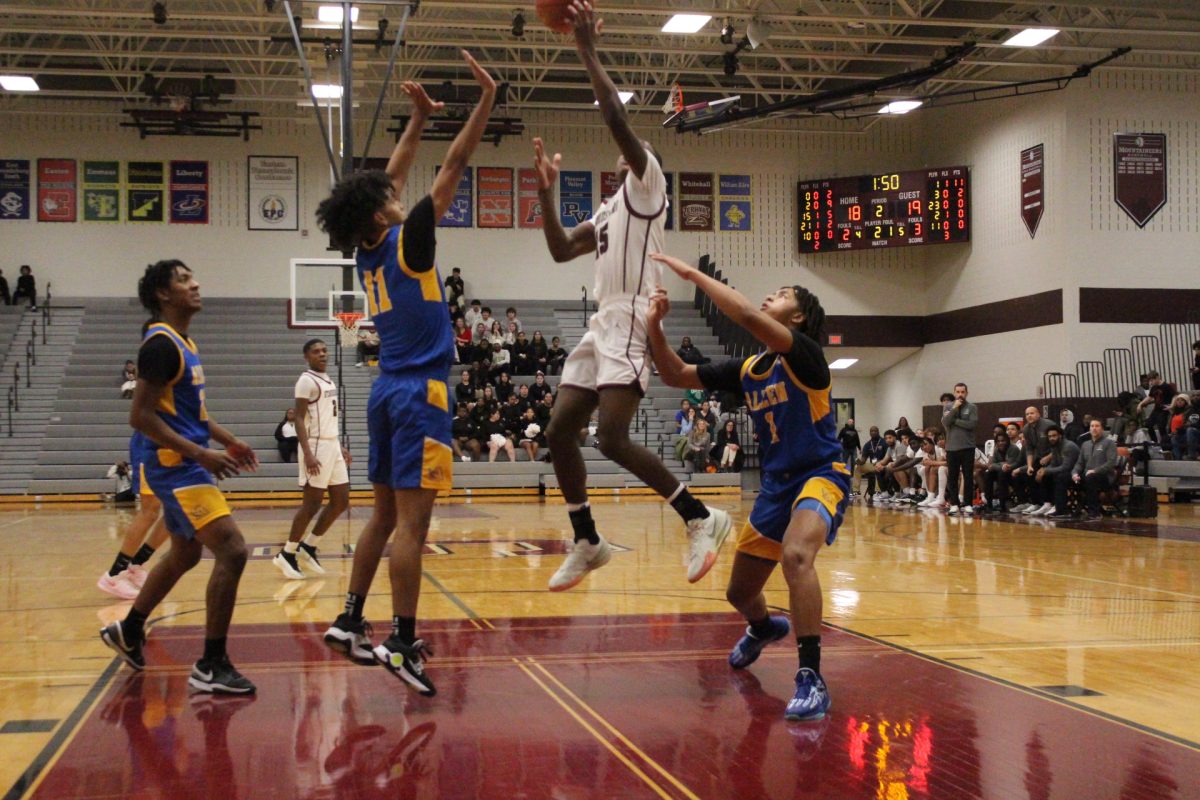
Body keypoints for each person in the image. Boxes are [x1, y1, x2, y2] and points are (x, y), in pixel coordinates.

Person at [313, 56, 496, 697]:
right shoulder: (411, 240)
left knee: (382, 518)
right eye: (392, 197)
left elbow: (385, 178)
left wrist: (417, 118)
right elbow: (452, 168)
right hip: (422, 392)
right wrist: (486, 101)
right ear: (384, 214)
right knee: (413, 529)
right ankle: (401, 641)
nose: (398, 191)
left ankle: (348, 618)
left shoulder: (368, 249)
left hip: (385, 390)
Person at [532, 1, 729, 592]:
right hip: (601, 323)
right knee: (560, 431)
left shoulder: (649, 188)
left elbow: (618, 119)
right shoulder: (610, 207)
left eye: (635, 149)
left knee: (612, 437)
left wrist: (587, 48)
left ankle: (701, 517)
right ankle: (587, 539)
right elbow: (562, 249)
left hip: (633, 317)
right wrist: (544, 193)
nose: (626, 148)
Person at [646, 253, 847, 723]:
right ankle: (762, 627)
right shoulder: (750, 369)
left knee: (798, 556)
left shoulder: (805, 356)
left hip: (820, 472)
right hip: (775, 486)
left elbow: (746, 316)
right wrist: (656, 325)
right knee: (739, 593)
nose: (770, 296)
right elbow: (675, 375)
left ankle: (811, 677)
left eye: (783, 294)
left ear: (797, 317)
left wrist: (692, 276)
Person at [100, 259, 259, 694]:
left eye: (193, 278)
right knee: (233, 550)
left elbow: (192, 415)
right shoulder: (160, 346)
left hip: (186, 462)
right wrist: (201, 454)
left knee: (187, 554)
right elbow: (140, 416)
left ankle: (130, 629)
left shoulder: (183, 341)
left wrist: (229, 442)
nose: (196, 284)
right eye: (184, 280)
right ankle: (211, 663)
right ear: (162, 294)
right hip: (178, 467)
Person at [273, 339, 352, 581]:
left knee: (341, 500)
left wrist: (339, 445)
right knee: (312, 503)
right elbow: (298, 419)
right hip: (316, 445)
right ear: (306, 356)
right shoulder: (306, 381)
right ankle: (287, 554)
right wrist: (306, 452)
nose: (322, 354)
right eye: (316, 351)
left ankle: (309, 546)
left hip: (332, 444)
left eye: (324, 350)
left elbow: (330, 416)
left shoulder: (328, 379)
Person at [97, 445, 170, 600]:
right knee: (150, 510)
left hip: (175, 449)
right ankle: (115, 574)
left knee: (179, 511)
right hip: (153, 446)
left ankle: (136, 565)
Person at [941, 383, 978, 515]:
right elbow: (945, 422)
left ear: (967, 393)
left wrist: (955, 421)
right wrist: (954, 409)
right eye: (958, 392)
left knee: (968, 476)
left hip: (968, 447)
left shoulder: (972, 407)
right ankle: (954, 504)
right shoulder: (948, 406)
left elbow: (972, 425)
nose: (960, 394)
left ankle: (968, 503)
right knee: (952, 476)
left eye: (963, 392)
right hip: (951, 447)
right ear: (954, 392)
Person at [1073, 419, 1118, 520]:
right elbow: (1079, 463)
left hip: (1104, 477)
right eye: (1092, 426)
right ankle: (1065, 509)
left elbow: (1111, 463)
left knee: (1090, 478)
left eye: (1097, 426)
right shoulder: (1085, 444)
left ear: (1102, 429)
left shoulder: (1109, 443)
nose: (1094, 428)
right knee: (1068, 478)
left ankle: (1094, 512)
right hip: (1088, 476)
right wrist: (1074, 473)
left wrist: (1095, 471)